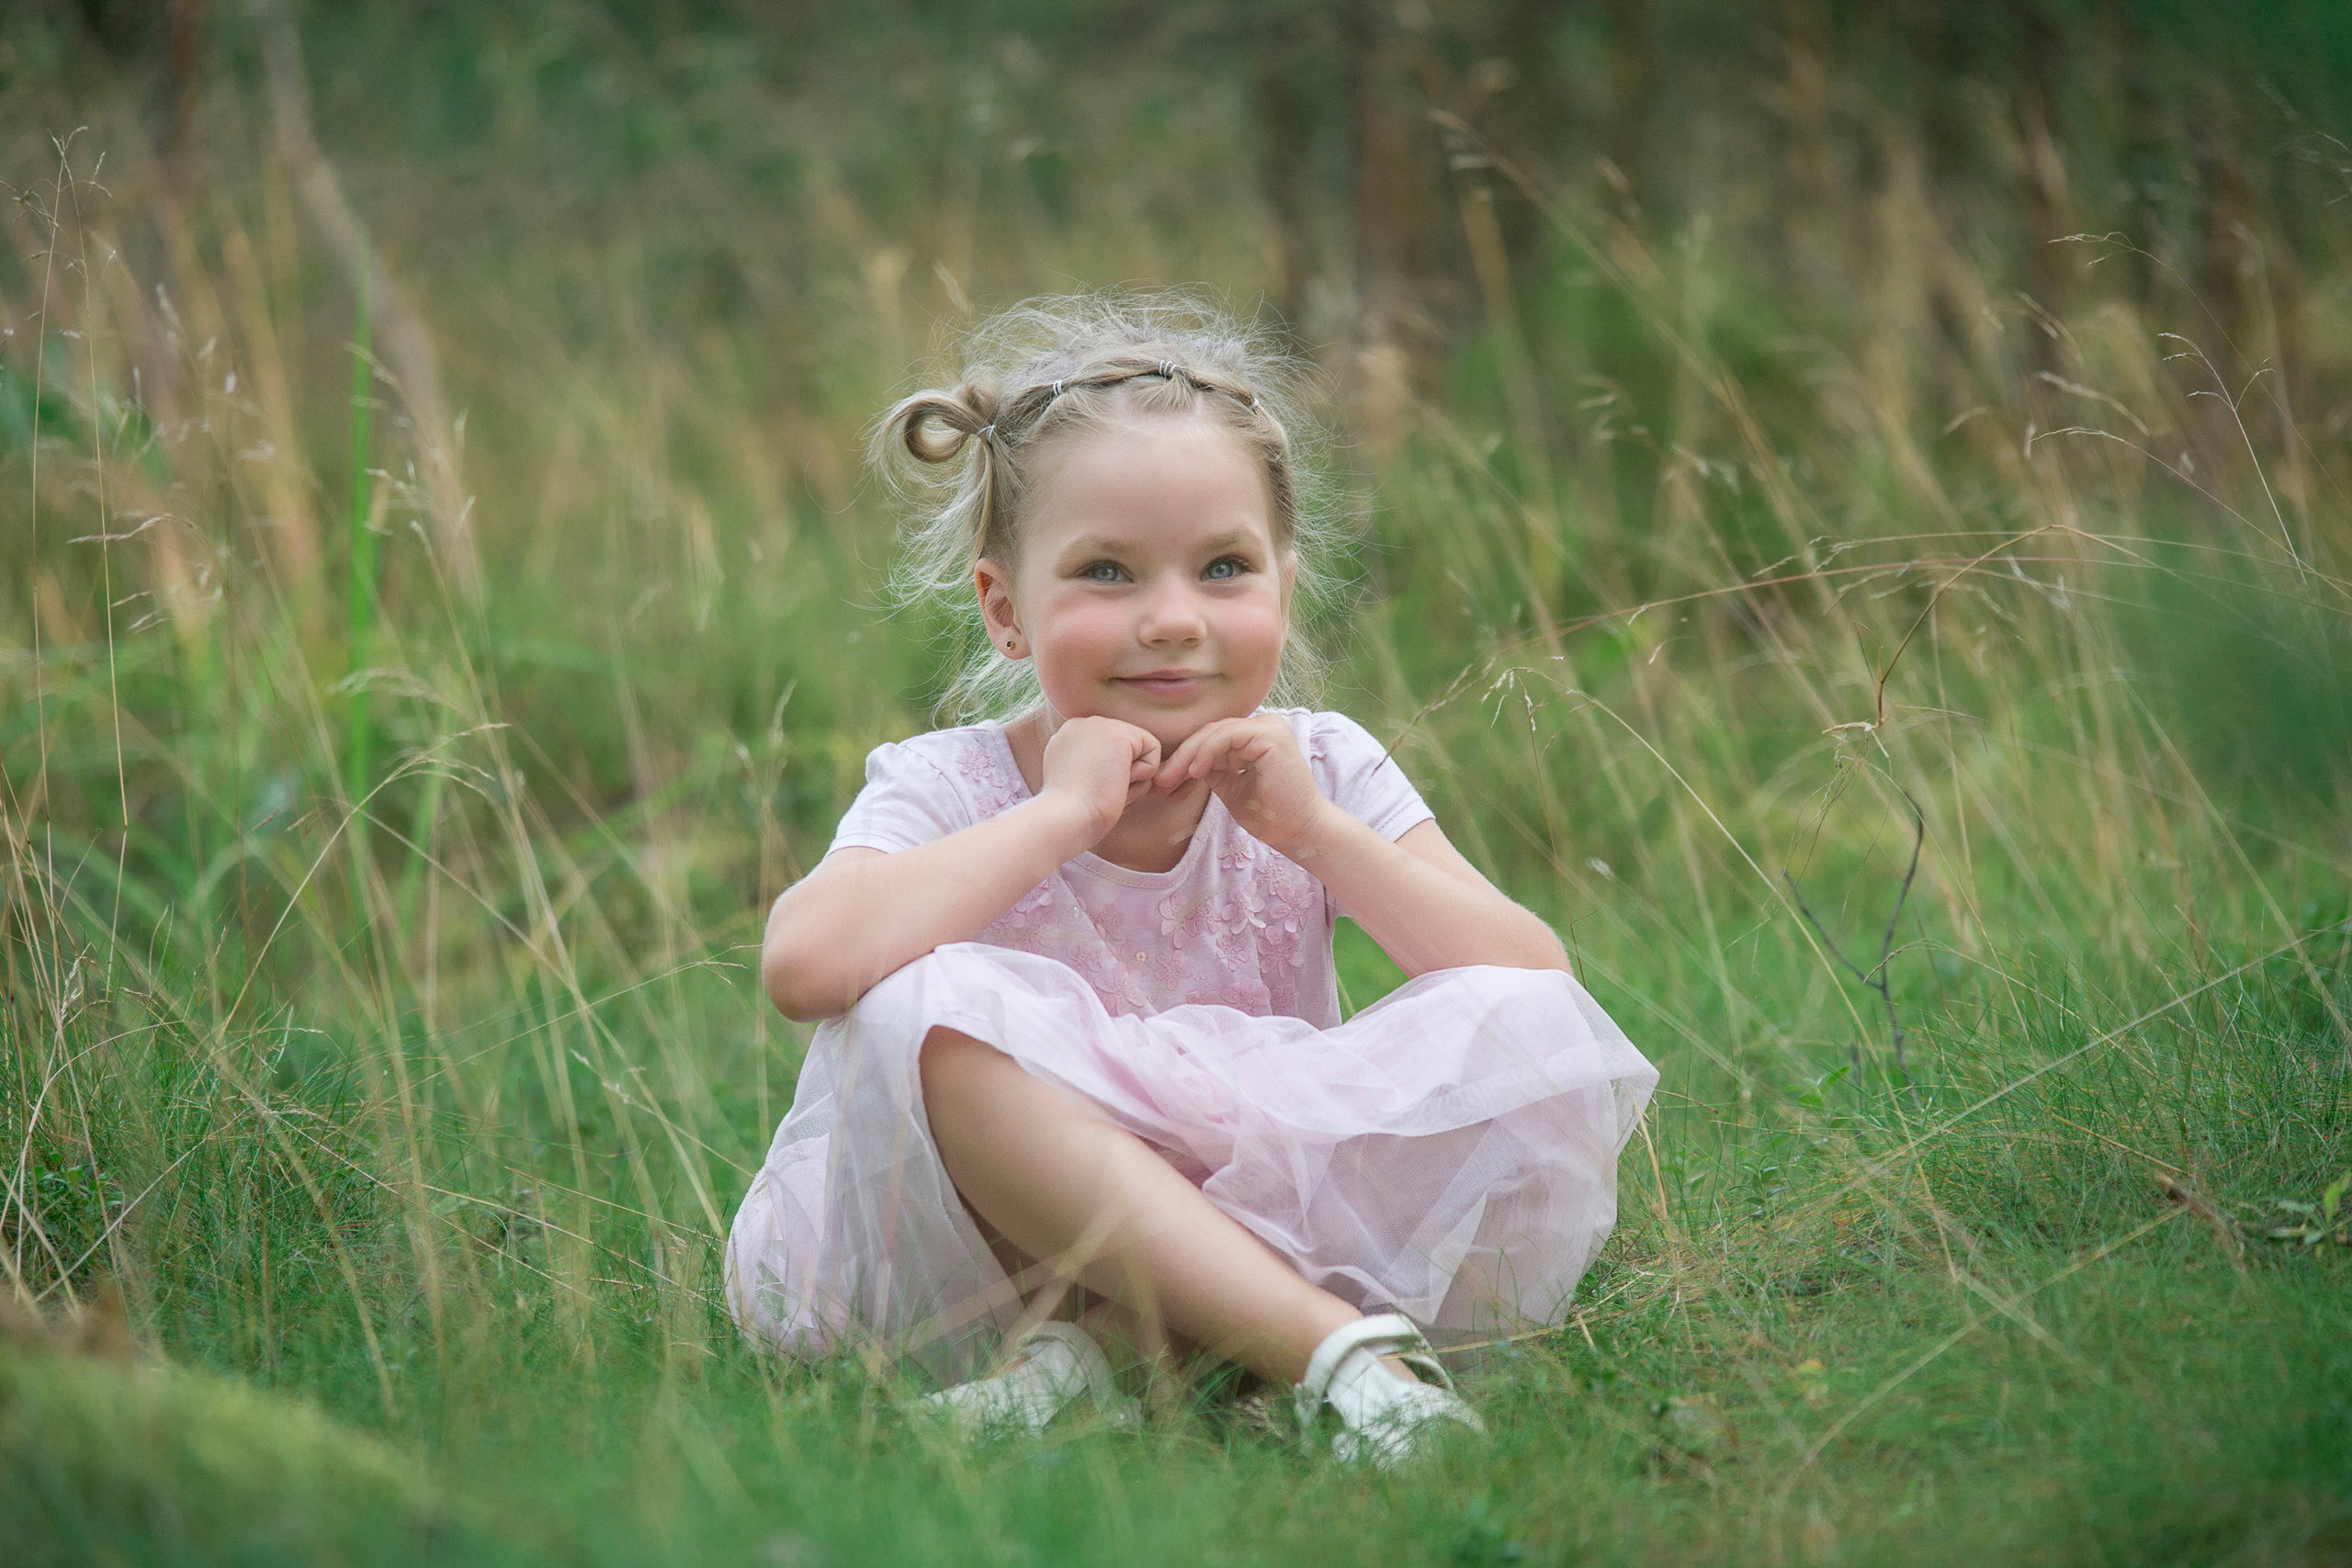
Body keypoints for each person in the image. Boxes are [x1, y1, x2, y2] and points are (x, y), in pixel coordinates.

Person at [725, 294, 1657, 1465]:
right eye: (1107, 573)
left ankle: (1099, 1364)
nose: (1171, 620)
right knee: (925, 1010)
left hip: (1250, 1212)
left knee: (1512, 1022)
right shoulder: (950, 782)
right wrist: (1063, 817)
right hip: (983, 1267)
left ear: (1282, 580)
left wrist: (1316, 834)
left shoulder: (1317, 767)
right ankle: (1344, 1359)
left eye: (1222, 567)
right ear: (1006, 609)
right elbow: (807, 966)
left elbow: (1540, 991)